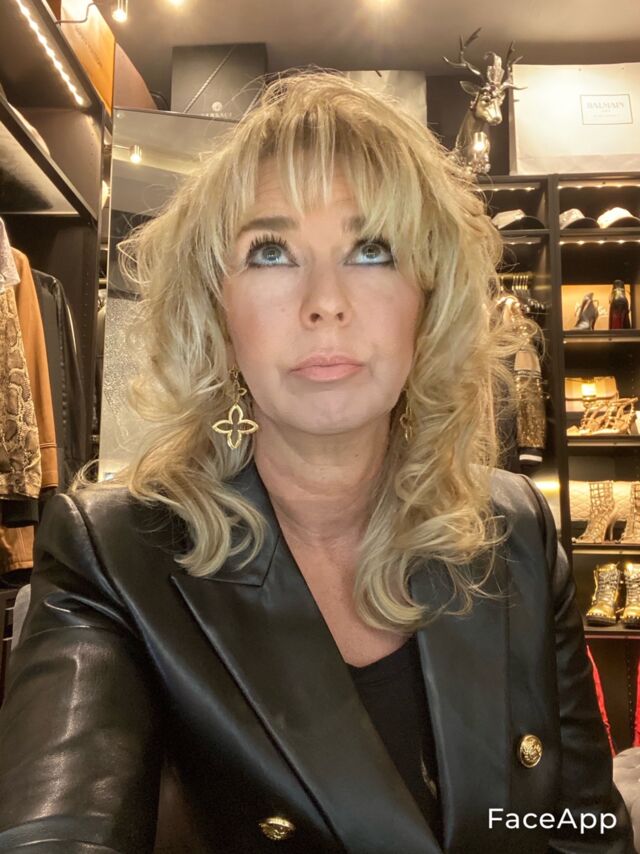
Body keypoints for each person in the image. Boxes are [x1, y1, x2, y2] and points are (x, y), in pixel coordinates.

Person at [0, 70, 633, 854]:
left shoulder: (516, 530)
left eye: (371, 249)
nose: (325, 302)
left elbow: (579, 828)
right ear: (219, 309)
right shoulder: (114, 554)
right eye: (271, 251)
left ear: (427, 299)